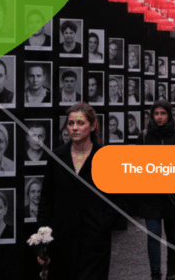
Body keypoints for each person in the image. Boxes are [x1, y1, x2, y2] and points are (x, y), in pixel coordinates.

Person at [38, 102, 124, 280]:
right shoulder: (57, 157)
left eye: (80, 123)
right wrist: (43, 239)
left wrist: (103, 224)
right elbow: (47, 199)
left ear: (92, 126)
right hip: (62, 241)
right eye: (70, 123)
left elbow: (118, 198)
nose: (74, 128)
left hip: (94, 242)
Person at [136, 100, 175, 280]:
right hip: (150, 195)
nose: (159, 117)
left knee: (172, 234)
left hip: (173, 195)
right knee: (153, 233)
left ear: (169, 115)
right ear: (152, 115)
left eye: (163, 114)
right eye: (156, 114)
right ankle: (155, 273)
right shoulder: (143, 136)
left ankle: (171, 269)